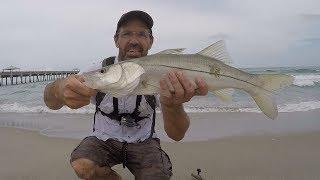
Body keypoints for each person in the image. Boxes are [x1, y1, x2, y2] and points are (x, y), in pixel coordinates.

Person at [43, 10, 208, 180]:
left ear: (151, 41)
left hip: (144, 141)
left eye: (142, 34)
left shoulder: (162, 74)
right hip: (103, 139)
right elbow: (50, 102)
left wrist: (172, 105)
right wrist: (59, 89)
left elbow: (177, 135)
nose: (134, 41)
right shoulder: (99, 70)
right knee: (82, 164)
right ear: (116, 40)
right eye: (127, 33)